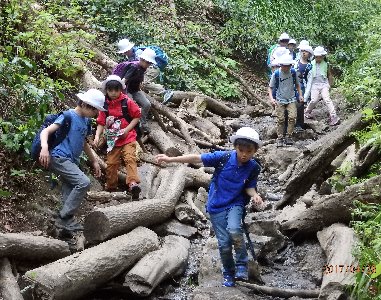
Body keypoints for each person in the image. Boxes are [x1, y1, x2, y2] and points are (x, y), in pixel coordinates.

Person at [155, 127, 263, 287]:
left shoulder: (254, 167)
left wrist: (254, 195)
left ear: (255, 151)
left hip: (236, 203)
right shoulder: (224, 157)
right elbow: (197, 158)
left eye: (249, 151)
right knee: (224, 243)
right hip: (216, 205)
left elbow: (249, 187)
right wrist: (171, 159)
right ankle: (228, 272)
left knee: (234, 229)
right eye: (241, 150)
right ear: (235, 147)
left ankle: (242, 264)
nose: (244, 154)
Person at [39, 89, 104, 232]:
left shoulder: (86, 121)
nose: (96, 114)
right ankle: (63, 217)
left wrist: (94, 161)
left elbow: (84, 143)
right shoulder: (68, 116)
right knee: (83, 182)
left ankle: (63, 223)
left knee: (69, 190)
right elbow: (46, 131)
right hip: (58, 157)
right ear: (86, 105)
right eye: (95, 111)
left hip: (70, 160)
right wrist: (44, 148)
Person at [94, 75, 142, 196]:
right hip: (112, 139)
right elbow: (100, 122)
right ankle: (111, 187)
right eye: (111, 90)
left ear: (121, 90)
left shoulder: (127, 102)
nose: (114, 93)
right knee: (111, 163)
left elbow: (137, 116)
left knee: (130, 158)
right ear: (107, 91)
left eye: (116, 90)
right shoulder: (104, 105)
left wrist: (126, 130)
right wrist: (96, 136)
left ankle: (132, 183)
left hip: (128, 136)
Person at [116, 39, 174, 104]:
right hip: (150, 69)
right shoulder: (131, 56)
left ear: (130, 48)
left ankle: (165, 92)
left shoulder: (138, 53)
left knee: (144, 83)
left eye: (126, 51)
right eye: (124, 52)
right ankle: (153, 96)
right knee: (144, 85)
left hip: (152, 68)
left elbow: (140, 67)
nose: (125, 53)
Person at [119, 48, 157, 134]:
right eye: (148, 62)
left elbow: (139, 80)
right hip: (126, 90)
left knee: (147, 104)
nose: (149, 65)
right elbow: (124, 79)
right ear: (142, 60)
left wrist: (140, 87)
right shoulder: (133, 67)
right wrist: (119, 91)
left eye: (150, 63)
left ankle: (142, 124)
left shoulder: (143, 68)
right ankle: (131, 124)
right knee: (131, 104)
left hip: (135, 90)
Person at [269, 54, 303, 147]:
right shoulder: (276, 74)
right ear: (281, 65)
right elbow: (270, 87)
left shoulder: (293, 72)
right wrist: (272, 99)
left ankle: (289, 136)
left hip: (291, 98)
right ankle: (280, 138)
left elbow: (297, 85)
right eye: (284, 65)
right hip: (280, 99)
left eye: (288, 65)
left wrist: (300, 95)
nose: (286, 67)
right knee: (280, 119)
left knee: (292, 117)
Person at [304, 46, 340, 126]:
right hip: (314, 84)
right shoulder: (310, 64)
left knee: (327, 99)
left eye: (320, 57)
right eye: (317, 57)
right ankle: (307, 111)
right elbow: (306, 75)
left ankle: (333, 115)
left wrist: (330, 85)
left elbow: (329, 75)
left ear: (323, 56)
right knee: (314, 100)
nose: (318, 59)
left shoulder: (326, 64)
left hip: (324, 84)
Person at [294, 45, 313, 131]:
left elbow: (309, 82)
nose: (304, 52)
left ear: (309, 54)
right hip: (292, 86)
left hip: (302, 87)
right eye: (302, 51)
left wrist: (306, 96)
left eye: (306, 51)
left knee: (300, 106)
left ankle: (299, 124)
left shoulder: (309, 66)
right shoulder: (295, 63)